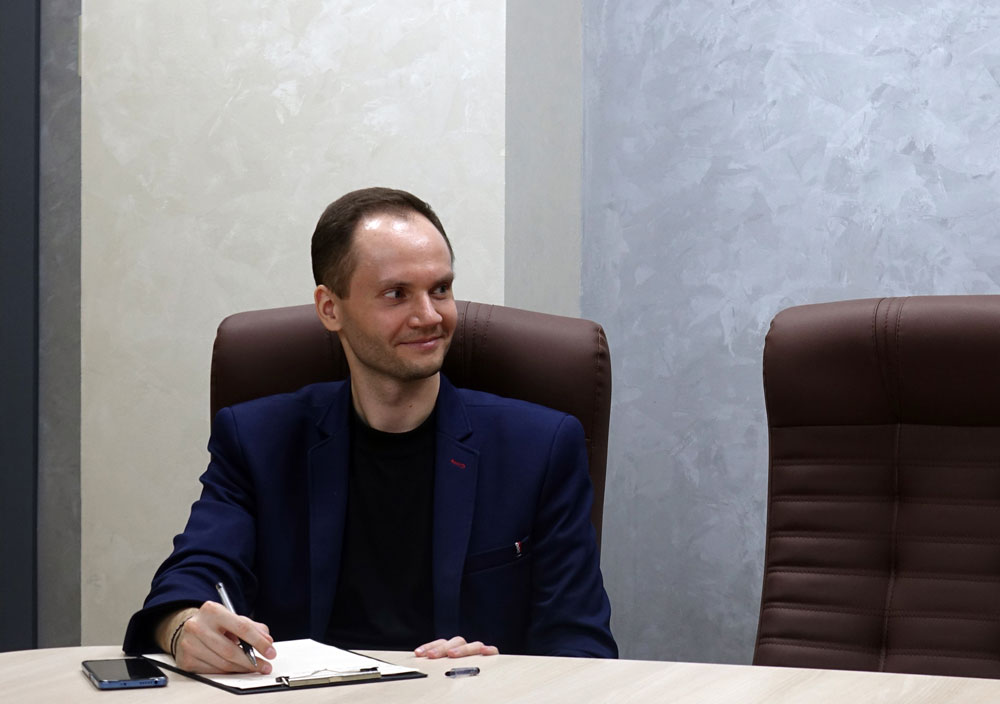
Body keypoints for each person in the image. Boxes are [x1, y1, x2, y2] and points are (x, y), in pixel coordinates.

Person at [122, 187, 617, 673]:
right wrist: (183, 628)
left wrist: (501, 675)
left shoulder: (541, 447)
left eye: (440, 289)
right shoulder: (257, 440)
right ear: (330, 308)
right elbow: (192, 578)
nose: (429, 316)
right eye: (396, 294)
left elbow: (583, 647)